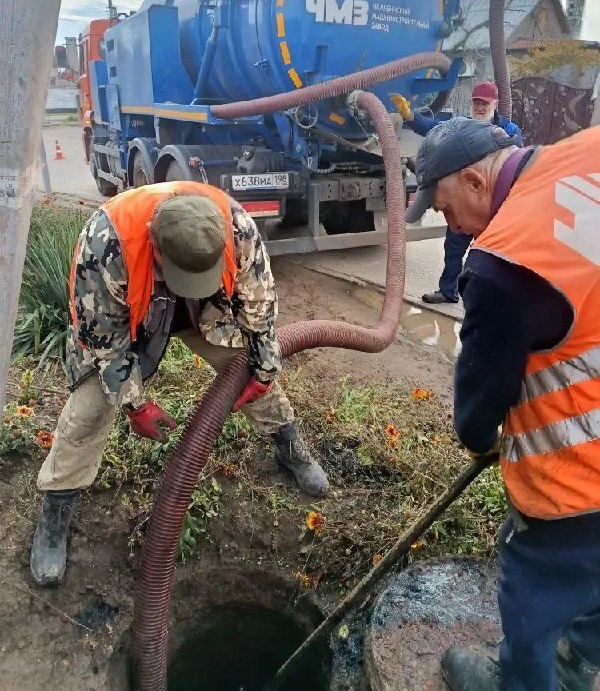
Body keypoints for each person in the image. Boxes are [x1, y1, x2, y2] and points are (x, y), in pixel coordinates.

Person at [30, 181, 328, 586]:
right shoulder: (105, 245)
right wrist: (136, 405)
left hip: (204, 311)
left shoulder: (236, 228)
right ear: (155, 245)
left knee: (245, 365)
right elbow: (104, 344)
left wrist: (263, 372)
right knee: (90, 406)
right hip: (131, 315)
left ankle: (289, 446)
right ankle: (56, 509)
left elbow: (260, 312)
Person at [406, 118, 600, 691]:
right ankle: (583, 661)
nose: (451, 226)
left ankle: (522, 681)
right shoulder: (585, 150)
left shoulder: (502, 264)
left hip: (577, 483)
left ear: (472, 180)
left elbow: (477, 413)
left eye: (443, 210)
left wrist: (480, 434)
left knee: (533, 588)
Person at [393, 81, 523, 305]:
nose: (480, 107)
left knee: (488, 256)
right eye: (476, 103)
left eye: (485, 103)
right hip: (463, 202)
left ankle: (485, 300)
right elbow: (434, 128)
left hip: (491, 209)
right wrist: (410, 116)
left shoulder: (509, 131)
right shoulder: (460, 127)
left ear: (495, 104)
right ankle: (448, 290)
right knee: (453, 248)